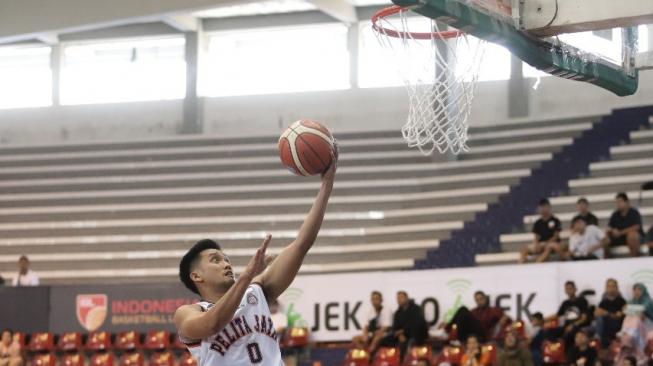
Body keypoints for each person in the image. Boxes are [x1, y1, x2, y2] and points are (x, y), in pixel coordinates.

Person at [173, 159, 336, 366]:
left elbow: (302, 244)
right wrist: (247, 276)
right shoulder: (189, 313)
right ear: (196, 276)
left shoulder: (257, 291)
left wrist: (327, 184)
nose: (226, 264)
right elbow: (212, 324)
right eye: (216, 260)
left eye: (227, 259)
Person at [381, 291, 428, 361]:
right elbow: (395, 327)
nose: (399, 300)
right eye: (397, 298)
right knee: (384, 340)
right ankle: (388, 360)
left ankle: (404, 361)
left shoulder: (416, 309)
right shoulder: (397, 313)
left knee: (408, 342)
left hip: (415, 334)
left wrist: (403, 331)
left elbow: (417, 324)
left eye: (401, 297)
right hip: (401, 335)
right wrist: (399, 335)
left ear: (407, 298)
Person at [615, 283, 653, 365]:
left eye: (639, 290)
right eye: (635, 290)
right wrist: (630, 309)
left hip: (648, 324)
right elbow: (625, 310)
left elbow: (642, 310)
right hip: (637, 324)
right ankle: (626, 331)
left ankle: (630, 331)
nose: (636, 292)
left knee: (637, 316)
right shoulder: (632, 300)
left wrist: (630, 309)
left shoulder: (648, 300)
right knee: (630, 316)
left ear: (643, 291)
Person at [544, 281, 589, 349]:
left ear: (575, 289)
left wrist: (573, 325)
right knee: (548, 331)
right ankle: (557, 347)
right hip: (566, 326)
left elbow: (584, 318)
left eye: (570, 288)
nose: (569, 291)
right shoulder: (565, 303)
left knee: (569, 333)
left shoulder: (582, 301)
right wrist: (543, 320)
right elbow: (557, 315)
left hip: (578, 327)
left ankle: (568, 353)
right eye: (567, 289)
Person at [520, 199, 562, 263]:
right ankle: (521, 266)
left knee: (549, 248)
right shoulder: (538, 223)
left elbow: (556, 236)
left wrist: (546, 243)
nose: (543, 209)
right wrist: (536, 244)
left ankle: (538, 263)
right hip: (541, 244)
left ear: (549, 207)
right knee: (524, 250)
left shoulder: (555, 220)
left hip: (552, 243)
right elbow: (536, 237)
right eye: (541, 207)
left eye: (545, 207)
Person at [604, 193, 644, 257]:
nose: (618, 204)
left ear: (627, 202)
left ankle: (634, 259)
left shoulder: (634, 212)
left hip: (633, 238)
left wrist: (621, 232)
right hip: (619, 239)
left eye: (620, 202)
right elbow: (609, 227)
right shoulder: (615, 215)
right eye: (617, 202)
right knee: (605, 238)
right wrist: (612, 230)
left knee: (632, 235)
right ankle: (607, 259)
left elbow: (637, 227)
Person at [352, 291, 392, 355]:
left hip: (385, 334)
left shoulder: (386, 310)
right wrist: (365, 334)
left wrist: (377, 333)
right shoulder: (370, 311)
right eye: (373, 299)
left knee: (376, 338)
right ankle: (364, 353)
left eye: (377, 299)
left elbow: (386, 327)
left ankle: (370, 354)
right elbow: (366, 326)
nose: (375, 301)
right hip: (373, 333)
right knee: (355, 339)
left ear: (381, 300)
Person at [595, 278, 626, 347]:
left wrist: (606, 313)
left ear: (617, 288)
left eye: (613, 286)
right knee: (585, 329)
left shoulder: (622, 301)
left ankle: (598, 337)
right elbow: (597, 313)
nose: (611, 289)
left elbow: (618, 316)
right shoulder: (603, 302)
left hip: (616, 325)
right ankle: (598, 337)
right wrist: (604, 313)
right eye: (609, 287)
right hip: (604, 325)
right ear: (606, 288)